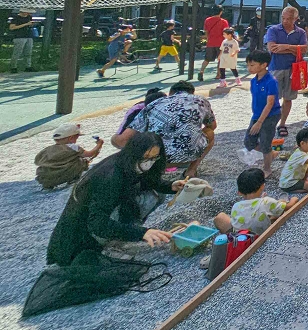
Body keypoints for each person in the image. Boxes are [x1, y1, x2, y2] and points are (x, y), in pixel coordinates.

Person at [46, 133, 184, 266]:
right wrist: (141, 233)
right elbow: (97, 223)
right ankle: (111, 244)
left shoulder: (126, 161)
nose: (149, 163)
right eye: (146, 157)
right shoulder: (111, 176)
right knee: (147, 198)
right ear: (134, 153)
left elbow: (146, 181)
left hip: (97, 219)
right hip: (80, 238)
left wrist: (171, 186)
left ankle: (120, 235)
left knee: (156, 194)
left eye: (154, 158)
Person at [114, 80, 217, 178]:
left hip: (157, 159)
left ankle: (144, 168)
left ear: (170, 93)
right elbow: (212, 126)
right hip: (190, 156)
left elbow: (123, 140)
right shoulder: (201, 101)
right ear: (192, 93)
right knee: (210, 133)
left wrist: (114, 139)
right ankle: (191, 170)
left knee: (123, 139)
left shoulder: (154, 104)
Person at [214, 168, 299, 236]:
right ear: (262, 186)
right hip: (260, 236)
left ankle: (230, 239)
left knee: (220, 217)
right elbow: (290, 206)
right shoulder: (267, 201)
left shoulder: (236, 206)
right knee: (279, 205)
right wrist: (294, 199)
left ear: (239, 192)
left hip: (240, 237)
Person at [265, 5, 308, 138]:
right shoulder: (273, 30)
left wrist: (285, 47)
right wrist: (294, 49)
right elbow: (272, 48)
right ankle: (270, 123)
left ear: (295, 19)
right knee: (273, 98)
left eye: (289, 19)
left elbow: (305, 49)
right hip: (276, 67)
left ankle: (282, 123)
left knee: (288, 98)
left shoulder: (300, 32)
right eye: (283, 18)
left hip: (293, 69)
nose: (285, 21)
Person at [244, 50, 281, 176]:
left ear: (264, 64)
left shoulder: (271, 81)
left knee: (265, 142)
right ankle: (271, 154)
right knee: (249, 142)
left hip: (271, 115)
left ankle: (267, 168)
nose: (249, 68)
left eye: (252, 65)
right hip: (257, 114)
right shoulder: (253, 81)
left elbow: (270, 103)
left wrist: (260, 122)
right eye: (248, 65)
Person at [35, 123, 104, 189]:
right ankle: (73, 179)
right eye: (76, 138)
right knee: (81, 161)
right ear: (71, 138)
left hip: (47, 178)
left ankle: (48, 186)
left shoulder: (47, 150)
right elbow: (90, 154)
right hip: (66, 175)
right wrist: (99, 144)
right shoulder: (73, 147)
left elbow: (37, 160)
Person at [279, 127, 308, 193]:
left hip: (292, 180)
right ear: (302, 143)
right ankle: (293, 191)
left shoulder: (302, 151)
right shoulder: (299, 154)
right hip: (288, 183)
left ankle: (303, 180)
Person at [198, 6, 229, 82]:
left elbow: (206, 32)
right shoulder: (224, 22)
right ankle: (218, 74)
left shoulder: (207, 20)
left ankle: (201, 71)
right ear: (221, 12)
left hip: (210, 42)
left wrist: (208, 39)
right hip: (221, 43)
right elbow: (226, 33)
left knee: (207, 59)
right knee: (221, 60)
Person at [8, 8, 38, 73]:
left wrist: (31, 24)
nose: (29, 14)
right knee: (17, 52)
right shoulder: (16, 18)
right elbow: (12, 27)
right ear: (23, 12)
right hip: (19, 37)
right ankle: (13, 67)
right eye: (27, 12)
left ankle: (28, 66)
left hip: (28, 36)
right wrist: (25, 24)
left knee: (28, 53)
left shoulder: (29, 17)